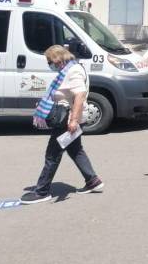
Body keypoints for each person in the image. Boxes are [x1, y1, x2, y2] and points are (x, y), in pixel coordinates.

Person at [21, 45, 104, 204]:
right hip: (70, 118)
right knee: (75, 150)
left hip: (68, 120)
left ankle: (42, 191)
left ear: (58, 58)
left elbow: (79, 95)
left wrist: (73, 120)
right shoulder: (68, 70)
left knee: (52, 155)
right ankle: (93, 181)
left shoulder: (73, 71)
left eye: (49, 60)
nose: (49, 63)